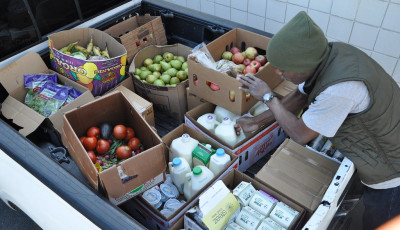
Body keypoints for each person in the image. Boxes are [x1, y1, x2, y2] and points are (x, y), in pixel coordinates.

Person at [235, 11, 400, 230]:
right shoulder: (330, 55)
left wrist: (268, 97)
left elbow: (301, 134)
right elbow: (300, 96)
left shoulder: (341, 88)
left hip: (391, 172)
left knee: (379, 221)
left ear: (304, 65)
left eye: (283, 68)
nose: (277, 72)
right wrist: (257, 121)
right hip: (380, 146)